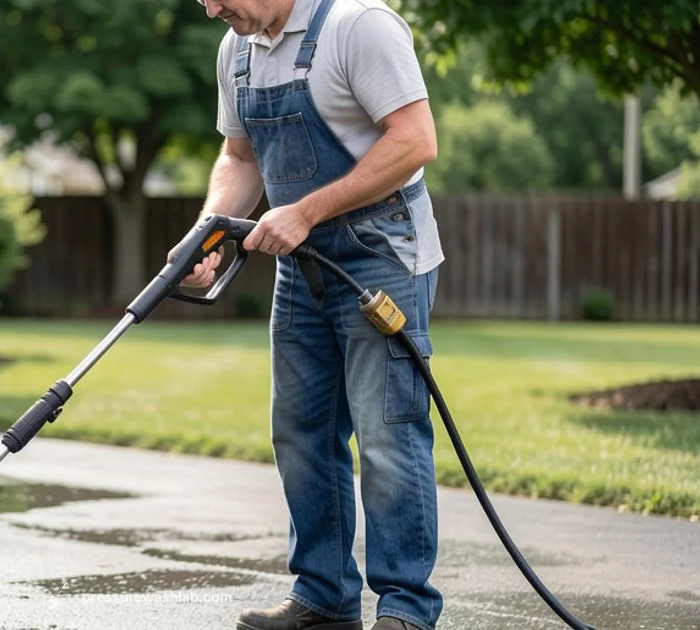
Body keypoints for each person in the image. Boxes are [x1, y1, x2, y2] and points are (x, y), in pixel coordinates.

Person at [182, 1, 445, 629]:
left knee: (387, 435)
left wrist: (305, 212)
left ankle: (406, 608)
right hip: (300, 264)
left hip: (381, 256)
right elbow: (240, 158)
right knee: (302, 433)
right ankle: (324, 596)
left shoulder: (359, 26)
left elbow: (415, 141)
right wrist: (206, 235)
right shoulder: (236, 51)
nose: (212, 10)